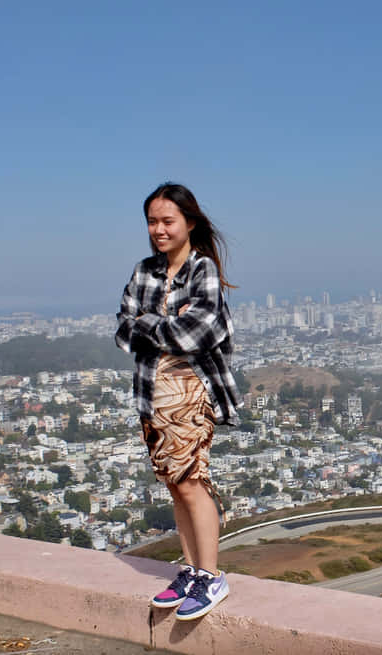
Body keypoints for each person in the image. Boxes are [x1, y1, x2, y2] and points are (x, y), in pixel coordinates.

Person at [115, 182, 240, 620]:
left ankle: (211, 575)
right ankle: (191, 570)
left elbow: (199, 333)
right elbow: (122, 332)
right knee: (174, 482)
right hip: (152, 393)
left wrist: (148, 322)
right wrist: (162, 324)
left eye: (168, 221)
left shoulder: (201, 270)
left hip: (190, 392)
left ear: (189, 222)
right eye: (152, 221)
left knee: (191, 480)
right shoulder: (143, 271)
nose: (159, 229)